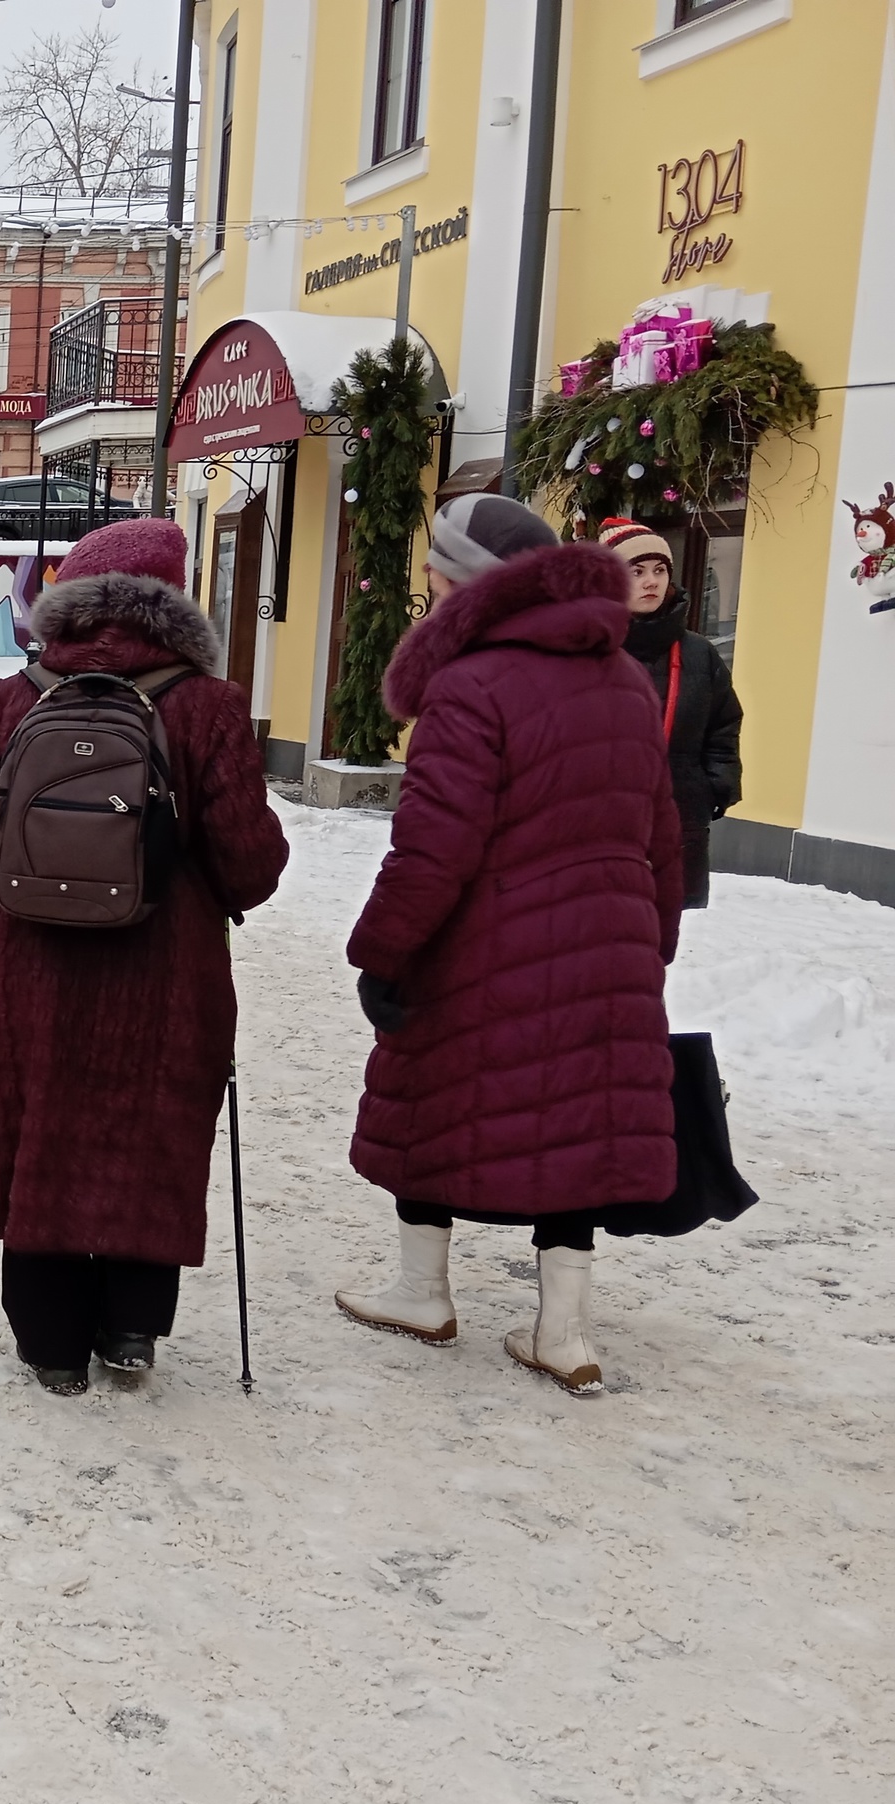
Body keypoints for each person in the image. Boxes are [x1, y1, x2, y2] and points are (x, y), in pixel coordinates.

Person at [334, 494, 685, 1394]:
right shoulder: (620, 679)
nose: (427, 584)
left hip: (485, 941)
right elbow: (662, 828)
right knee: (575, 1120)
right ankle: (563, 1334)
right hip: (609, 941)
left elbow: (434, 845)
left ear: (469, 582)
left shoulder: (470, 683)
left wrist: (383, 951)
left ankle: (422, 1292)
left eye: (436, 569)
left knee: (427, 1095)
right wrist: (655, 942)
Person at [0, 520, 290, 1395]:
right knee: (151, 1129)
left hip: (30, 968)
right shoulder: (208, 704)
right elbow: (251, 867)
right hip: (165, 971)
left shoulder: (22, 696)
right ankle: (130, 1326)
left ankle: (51, 1343)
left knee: (37, 1131)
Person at [599, 518, 743, 909]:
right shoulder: (586, 648)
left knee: (659, 937)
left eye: (660, 570)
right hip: (597, 822)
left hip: (678, 816)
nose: (652, 582)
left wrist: (713, 784)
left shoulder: (699, 653)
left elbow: (723, 724)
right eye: (637, 572)